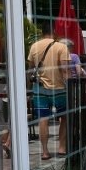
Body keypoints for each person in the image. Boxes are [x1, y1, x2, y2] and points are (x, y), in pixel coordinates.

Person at [28, 27, 70, 160]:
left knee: (43, 119)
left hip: (39, 88)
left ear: (42, 33)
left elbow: (30, 68)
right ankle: (62, 147)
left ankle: (45, 152)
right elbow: (65, 69)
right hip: (59, 88)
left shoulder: (34, 46)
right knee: (64, 117)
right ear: (54, 32)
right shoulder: (61, 47)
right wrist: (69, 84)